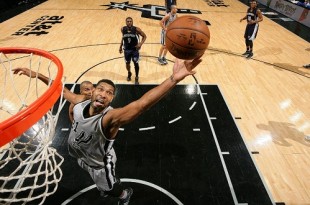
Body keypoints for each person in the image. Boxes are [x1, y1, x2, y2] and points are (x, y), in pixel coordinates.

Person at [12, 56, 202, 205]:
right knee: (98, 179)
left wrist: (173, 79)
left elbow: (141, 105)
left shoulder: (109, 119)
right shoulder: (79, 102)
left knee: (110, 188)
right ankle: (107, 186)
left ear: (111, 100)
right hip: (82, 157)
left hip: (100, 165)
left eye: (109, 93)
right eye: (101, 89)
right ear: (92, 91)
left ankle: (124, 194)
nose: (103, 94)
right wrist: (34, 73)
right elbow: (58, 89)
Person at [119, 17, 147, 85]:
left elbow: (144, 36)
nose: (129, 22)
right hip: (126, 49)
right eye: (128, 21)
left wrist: (140, 43)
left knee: (135, 63)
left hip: (134, 50)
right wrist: (120, 46)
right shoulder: (123, 29)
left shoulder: (136, 29)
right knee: (127, 64)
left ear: (132, 22)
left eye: (130, 21)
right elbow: (123, 37)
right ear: (126, 22)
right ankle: (129, 72)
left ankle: (137, 77)